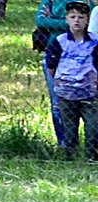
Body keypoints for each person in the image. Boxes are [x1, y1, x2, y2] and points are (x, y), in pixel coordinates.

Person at [46, 1, 98, 161]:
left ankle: (92, 158)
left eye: (81, 17)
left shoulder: (95, 42)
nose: (77, 21)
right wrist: (63, 83)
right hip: (66, 95)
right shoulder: (60, 41)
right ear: (66, 19)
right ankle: (70, 158)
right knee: (69, 130)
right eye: (72, 17)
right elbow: (51, 66)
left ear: (88, 20)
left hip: (90, 94)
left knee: (93, 129)